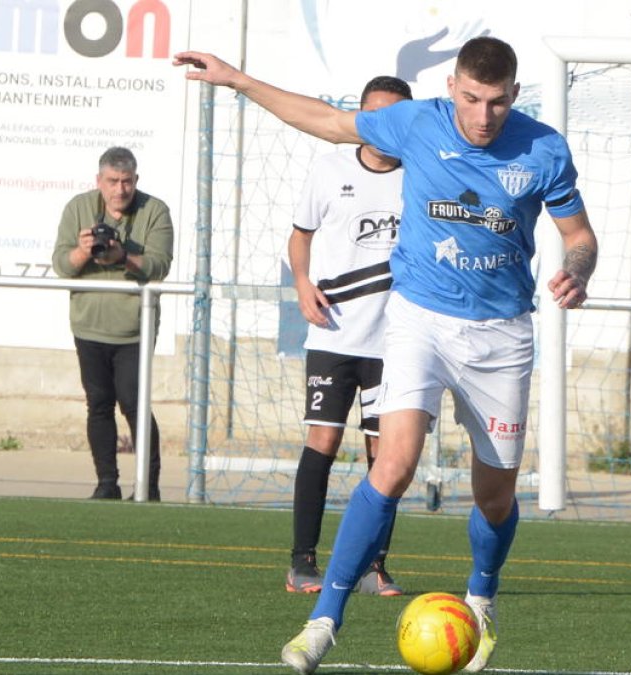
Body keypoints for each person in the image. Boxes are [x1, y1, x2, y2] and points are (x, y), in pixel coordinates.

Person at [175, 36, 598, 675]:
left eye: (498, 103)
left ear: (515, 95)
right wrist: (236, 79)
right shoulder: (416, 121)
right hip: (419, 320)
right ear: (452, 86)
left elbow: (579, 236)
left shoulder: (543, 149)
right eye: (472, 99)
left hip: (501, 334)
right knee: (393, 463)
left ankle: (480, 596)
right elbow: (325, 119)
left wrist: (577, 269)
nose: (484, 116)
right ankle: (324, 621)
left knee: (494, 497)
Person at [284, 75, 412, 597]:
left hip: (397, 341)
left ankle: (372, 566)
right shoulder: (330, 167)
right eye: (373, 117)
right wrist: (301, 283)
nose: (382, 129)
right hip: (335, 335)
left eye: (394, 118)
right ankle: (302, 563)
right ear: (359, 117)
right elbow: (301, 236)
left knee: (387, 455)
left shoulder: (420, 174)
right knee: (324, 439)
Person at [51, 146, 174, 501]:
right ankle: (107, 483)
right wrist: (83, 250)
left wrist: (124, 256)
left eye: (127, 182)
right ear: (99, 181)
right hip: (88, 324)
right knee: (99, 403)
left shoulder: (154, 211)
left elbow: (160, 265)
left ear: (136, 180)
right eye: (112, 182)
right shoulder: (78, 207)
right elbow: (62, 264)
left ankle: (147, 487)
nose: (120, 190)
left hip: (135, 327)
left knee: (134, 403)